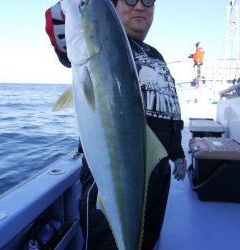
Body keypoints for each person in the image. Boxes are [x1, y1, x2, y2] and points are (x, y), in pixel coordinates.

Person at [45, 0, 187, 249]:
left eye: (149, 1)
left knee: (147, 241)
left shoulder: (155, 54)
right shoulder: (111, 45)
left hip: (157, 178)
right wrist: (67, 12)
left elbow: (169, 109)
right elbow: (69, 40)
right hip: (109, 182)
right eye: (130, 0)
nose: (140, 7)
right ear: (113, 6)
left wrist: (178, 153)